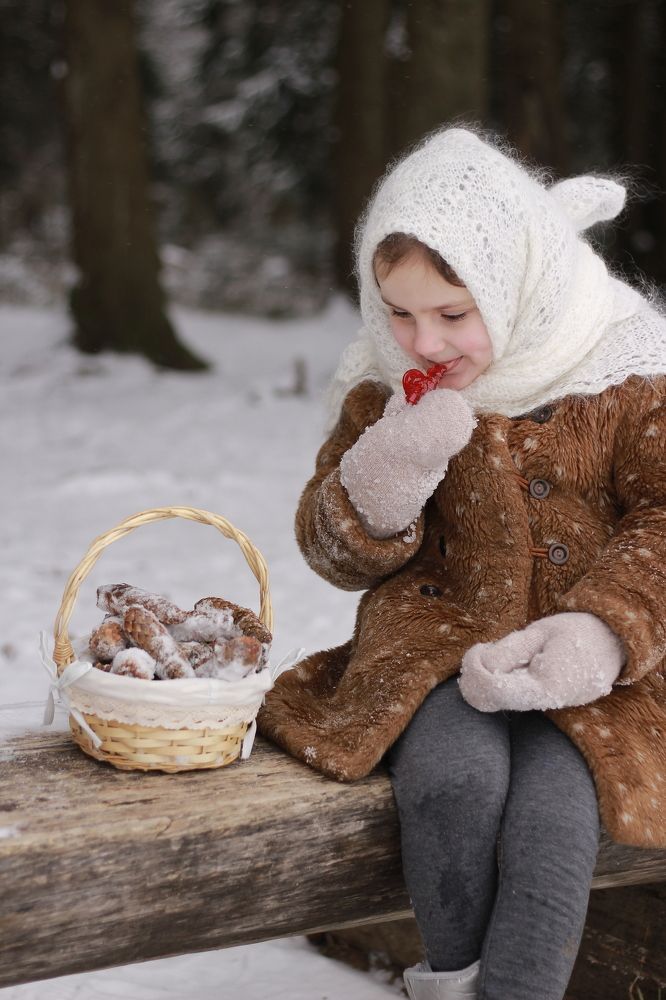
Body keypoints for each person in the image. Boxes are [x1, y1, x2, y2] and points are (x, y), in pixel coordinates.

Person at [256, 127, 666, 1000]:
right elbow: (328, 549)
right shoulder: (382, 385)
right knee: (453, 783)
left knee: (556, 814)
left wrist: (605, 625)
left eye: (452, 313)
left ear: (518, 287)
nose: (424, 342)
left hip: (600, 669)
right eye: (398, 312)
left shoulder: (622, 368)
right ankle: (450, 983)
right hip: (439, 645)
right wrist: (380, 481)